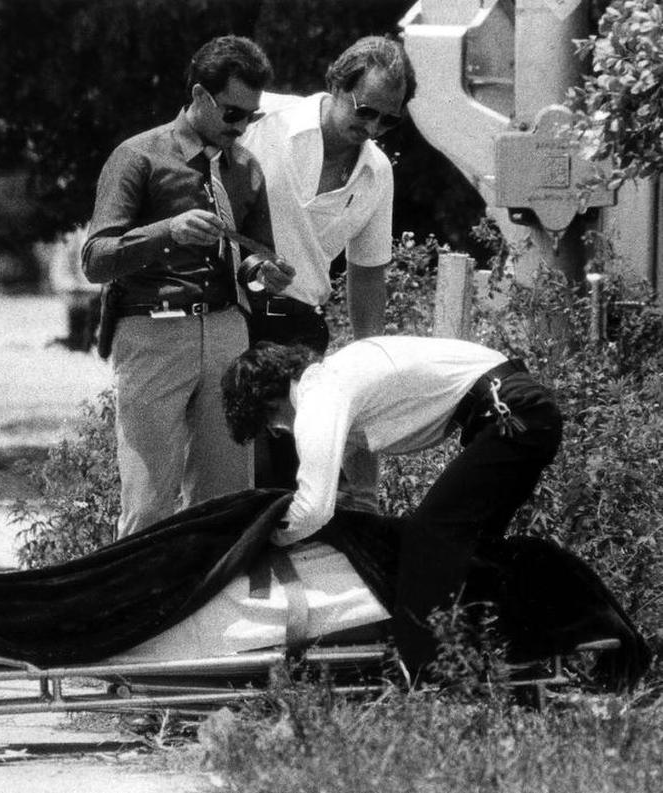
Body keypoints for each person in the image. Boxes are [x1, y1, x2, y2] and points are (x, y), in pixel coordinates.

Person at [221, 337, 563, 675]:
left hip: (510, 413)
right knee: (475, 552)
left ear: (269, 400)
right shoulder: (339, 375)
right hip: (513, 407)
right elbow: (350, 462)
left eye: (270, 424)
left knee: (431, 536)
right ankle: (501, 655)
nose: (279, 431)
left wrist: (266, 538)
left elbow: (313, 509)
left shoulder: (319, 395)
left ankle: (431, 674)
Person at [82, 35, 293, 538]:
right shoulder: (139, 157)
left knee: (227, 500)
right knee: (149, 503)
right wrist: (166, 232)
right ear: (199, 95)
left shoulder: (244, 168)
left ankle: (214, 611)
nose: (241, 127)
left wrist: (265, 277)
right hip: (153, 331)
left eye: (251, 117)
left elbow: (249, 261)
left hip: (225, 330)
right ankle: (139, 609)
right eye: (232, 112)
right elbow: (95, 259)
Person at [239, 36, 417, 495]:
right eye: (365, 110)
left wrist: (370, 368)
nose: (374, 126)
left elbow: (368, 273)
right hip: (234, 313)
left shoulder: (378, 172)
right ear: (338, 84)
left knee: (312, 481)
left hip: (299, 328)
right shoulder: (262, 120)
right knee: (238, 479)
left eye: (389, 119)